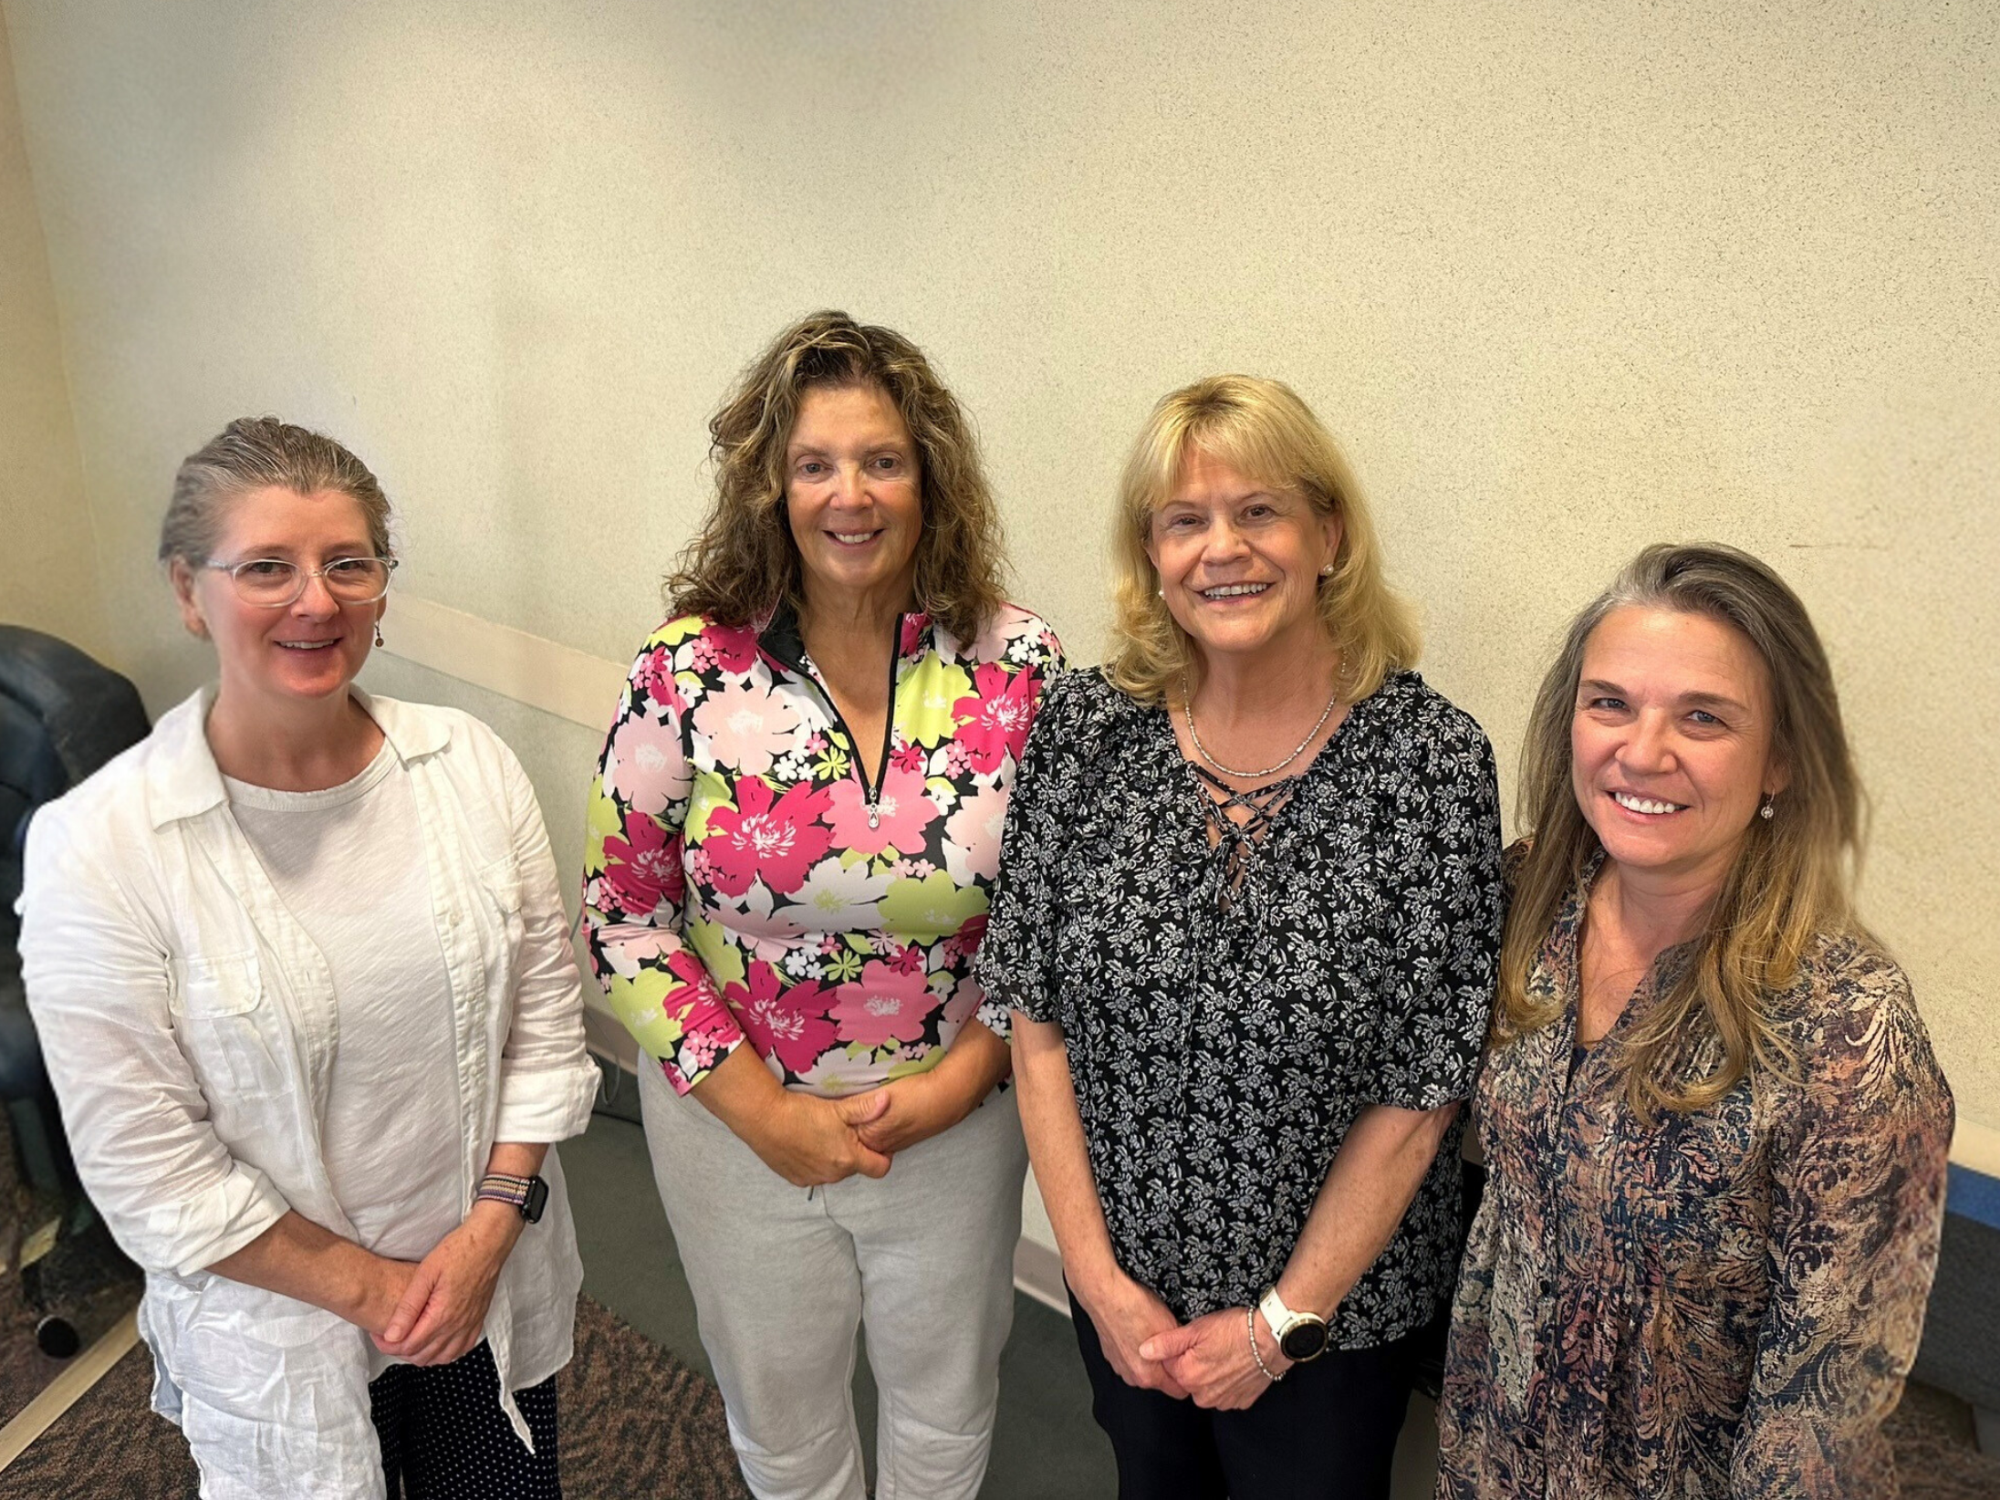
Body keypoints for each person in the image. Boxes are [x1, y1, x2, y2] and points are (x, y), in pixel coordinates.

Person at [19, 418, 599, 1500]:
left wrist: (485, 1234)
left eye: (348, 564)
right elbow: (149, 1173)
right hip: (281, 1332)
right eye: (267, 569)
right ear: (190, 593)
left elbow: (548, 1027)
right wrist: (374, 1292)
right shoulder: (96, 848)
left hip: (487, 1278)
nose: (316, 601)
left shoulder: (467, 764)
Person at [976, 375, 1503, 1500]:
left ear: (1329, 533)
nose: (1222, 549)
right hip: (1127, 1303)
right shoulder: (1080, 728)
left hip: (1332, 1319)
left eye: (1257, 511)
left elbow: (1421, 1096)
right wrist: (1093, 1277)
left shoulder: (1431, 765)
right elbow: (1035, 1025)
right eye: (1183, 520)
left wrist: (1276, 1327)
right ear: (1151, 556)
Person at [582, 310, 1063, 1500]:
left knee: (945, 1408)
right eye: (814, 464)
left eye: (882, 460)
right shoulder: (689, 669)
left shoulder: (1020, 666)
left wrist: (960, 1080)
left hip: (952, 1123)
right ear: (770, 488)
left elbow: (1055, 916)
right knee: (783, 1420)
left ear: (929, 479)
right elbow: (621, 914)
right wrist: (760, 1113)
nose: (850, 494)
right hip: (736, 1129)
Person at [1434, 543, 1954, 1499]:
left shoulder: (1849, 1028)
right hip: (1493, 1453)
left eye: (1703, 717)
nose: (1641, 751)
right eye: (1611, 703)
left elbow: (1823, 1406)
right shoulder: (1525, 898)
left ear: (1782, 761)